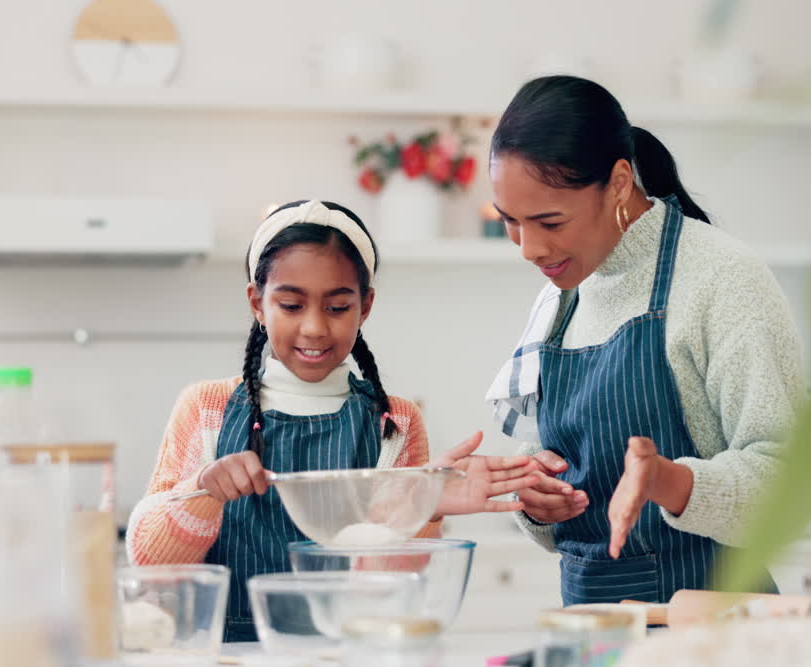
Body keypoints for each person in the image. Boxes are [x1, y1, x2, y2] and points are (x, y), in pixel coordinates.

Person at [128, 200, 546, 640]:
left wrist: (422, 503)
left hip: (348, 658)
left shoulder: (396, 422)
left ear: (365, 306)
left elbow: (394, 584)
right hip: (227, 662)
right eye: (290, 305)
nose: (313, 328)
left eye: (336, 308)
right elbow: (149, 562)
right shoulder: (205, 409)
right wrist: (203, 490)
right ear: (256, 302)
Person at [486, 76, 805, 605]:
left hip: (718, 636)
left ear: (617, 181)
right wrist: (536, 499)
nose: (529, 248)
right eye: (511, 222)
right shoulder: (561, 298)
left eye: (549, 221)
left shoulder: (722, 277)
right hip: (595, 635)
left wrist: (666, 481)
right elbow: (561, 488)